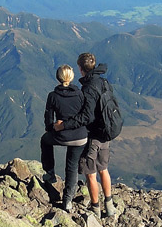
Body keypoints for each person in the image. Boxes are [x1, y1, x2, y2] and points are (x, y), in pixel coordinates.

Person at [54, 52, 116, 217]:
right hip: (106, 132)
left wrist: (65, 125)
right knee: (104, 169)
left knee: (90, 173)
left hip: (94, 135)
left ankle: (95, 208)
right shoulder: (103, 81)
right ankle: (109, 206)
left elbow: (86, 116)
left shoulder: (88, 88)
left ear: (81, 69)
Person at [40, 65, 88, 210]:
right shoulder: (80, 94)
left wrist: (52, 128)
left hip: (61, 134)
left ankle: (50, 173)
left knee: (45, 140)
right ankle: (68, 201)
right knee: (71, 166)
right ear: (71, 77)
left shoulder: (53, 96)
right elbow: (83, 115)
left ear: (58, 77)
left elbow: (48, 117)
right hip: (80, 136)